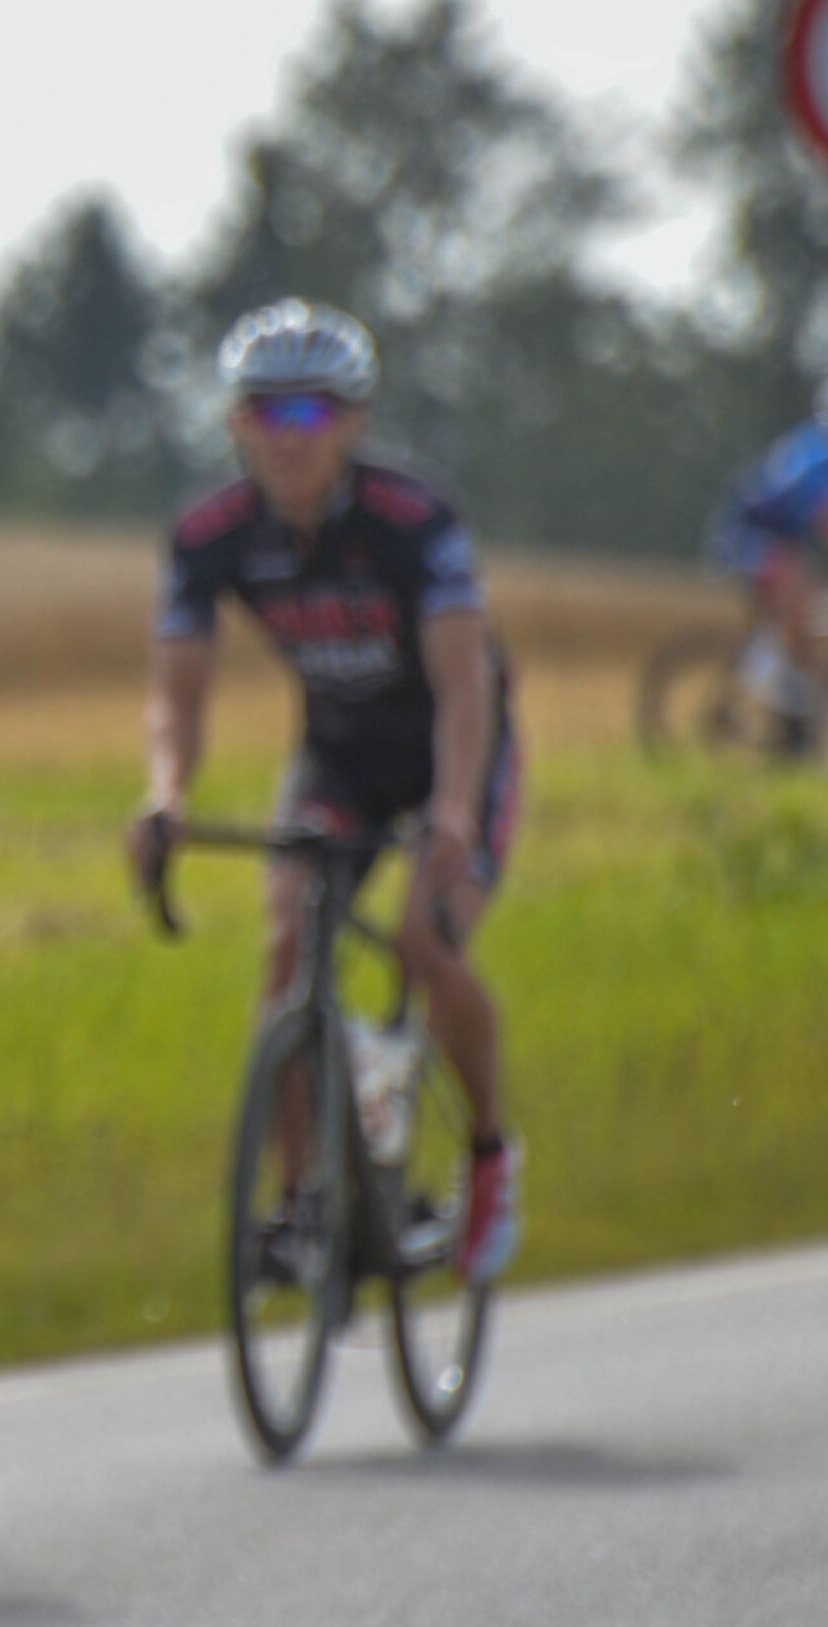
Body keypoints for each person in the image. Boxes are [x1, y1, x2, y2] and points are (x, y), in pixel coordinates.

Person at [125, 299, 523, 1285]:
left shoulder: (412, 518)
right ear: (235, 423)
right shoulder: (210, 530)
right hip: (339, 753)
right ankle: (303, 1199)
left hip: (453, 748)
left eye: (311, 412)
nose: (288, 435)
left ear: (353, 421)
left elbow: (464, 682)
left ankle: (488, 1152)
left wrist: (453, 810)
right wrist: (166, 794)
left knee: (426, 938)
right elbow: (177, 691)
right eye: (266, 412)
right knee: (287, 942)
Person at [707, 361, 828, 752]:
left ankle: (797, 719)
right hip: (749, 535)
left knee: (808, 619)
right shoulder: (813, 459)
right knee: (805, 592)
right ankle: (790, 717)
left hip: (784, 542)